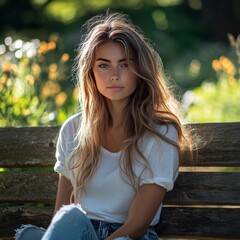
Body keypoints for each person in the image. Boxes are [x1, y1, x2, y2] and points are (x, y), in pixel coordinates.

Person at [15, 11, 194, 240]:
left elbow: (138, 226)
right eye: (104, 65)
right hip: (81, 232)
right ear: (90, 72)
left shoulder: (159, 133)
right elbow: (62, 214)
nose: (114, 76)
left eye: (125, 65)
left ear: (140, 71)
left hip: (127, 237)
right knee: (34, 233)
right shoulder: (73, 129)